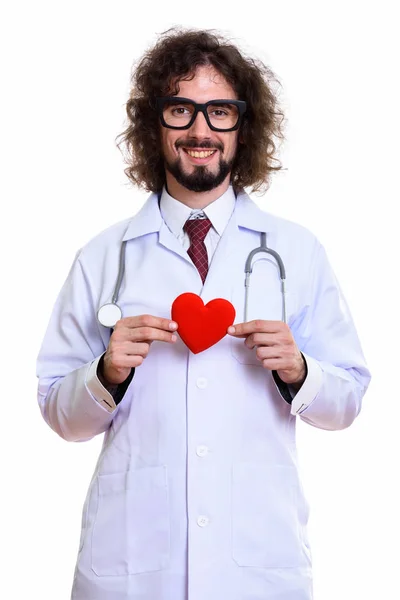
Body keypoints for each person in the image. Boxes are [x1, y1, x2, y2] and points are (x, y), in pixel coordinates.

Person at [36, 27, 371, 600]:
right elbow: (58, 413)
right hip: (134, 565)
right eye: (180, 109)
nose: (200, 130)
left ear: (243, 126)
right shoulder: (102, 256)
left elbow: (348, 401)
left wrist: (299, 370)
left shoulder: (296, 251)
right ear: (154, 125)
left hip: (257, 563)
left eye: (219, 111)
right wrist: (106, 373)